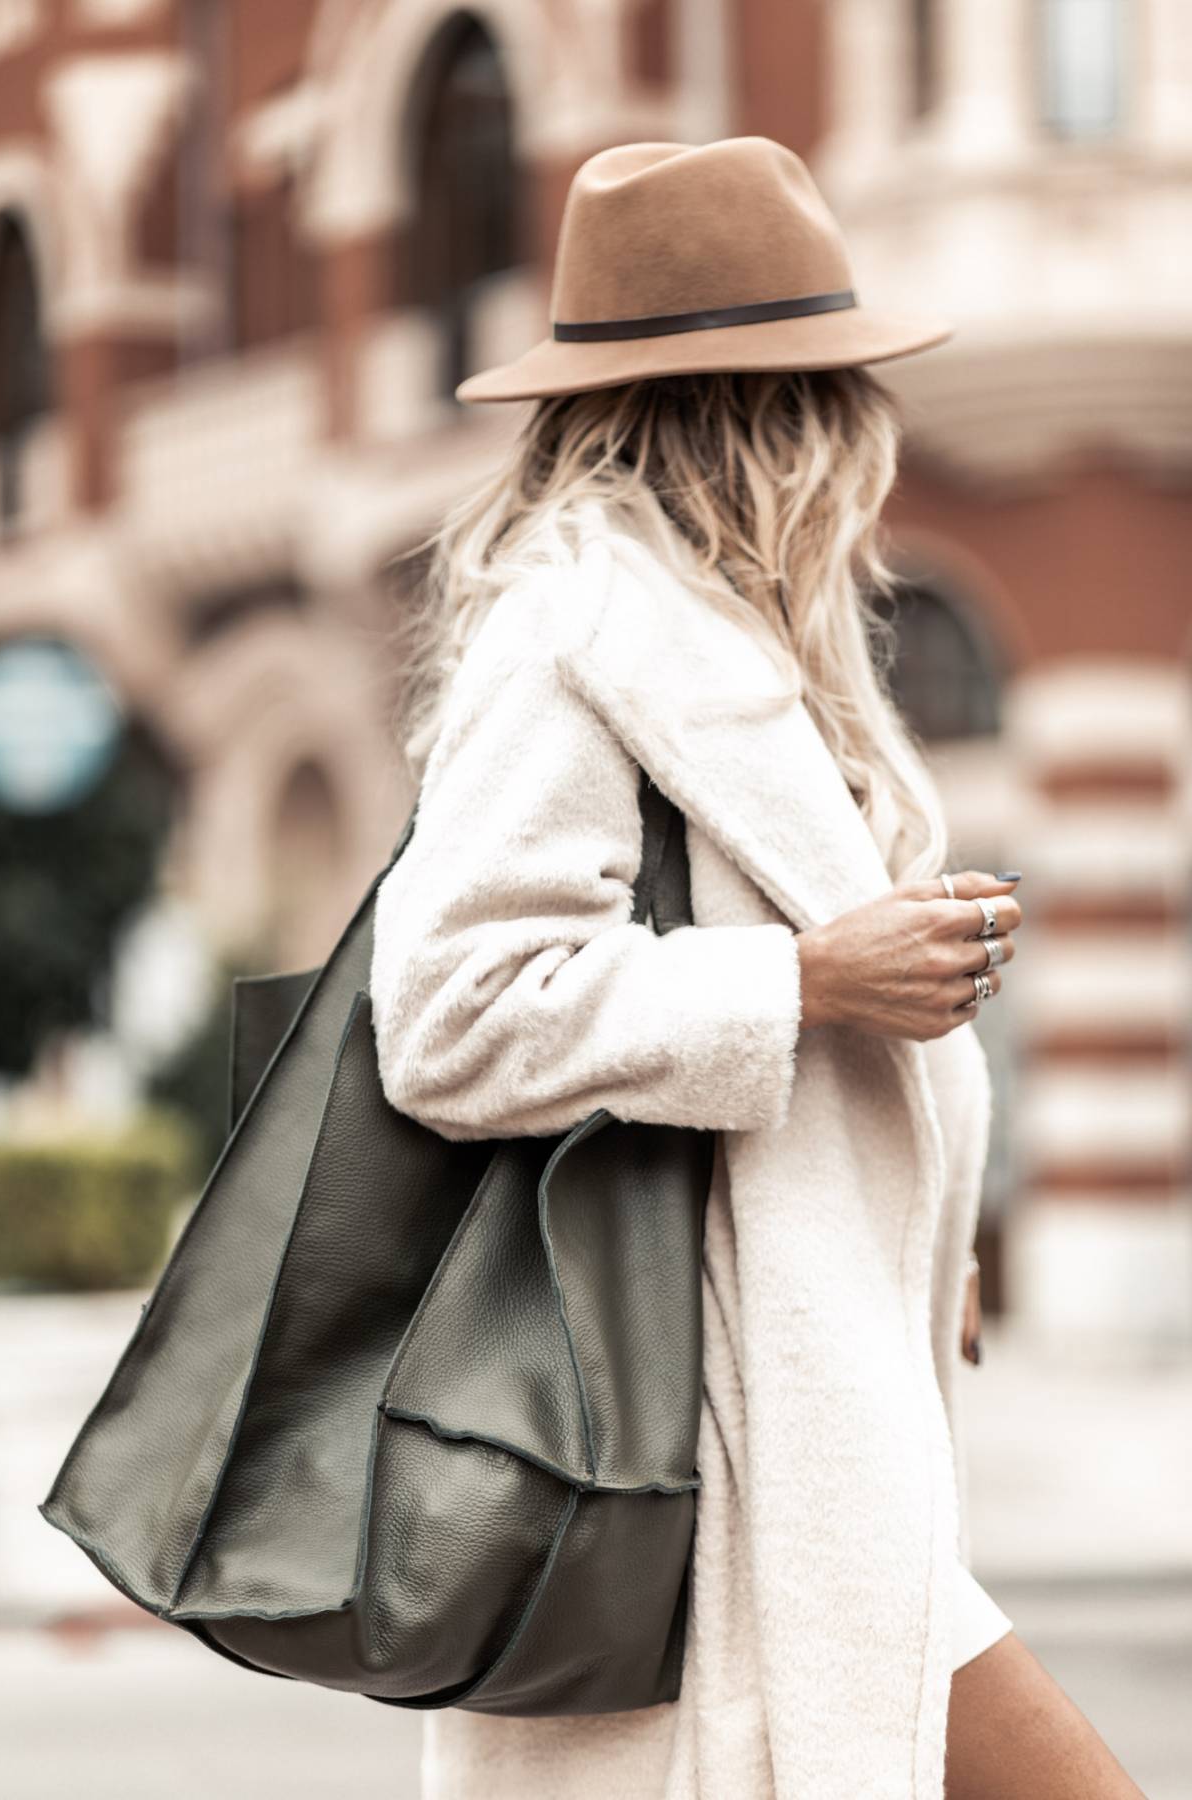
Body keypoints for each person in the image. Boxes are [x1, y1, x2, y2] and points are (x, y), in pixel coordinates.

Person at [369, 138, 1144, 1800]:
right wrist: (802, 981)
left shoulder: (732, 638)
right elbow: (441, 1014)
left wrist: (913, 1239)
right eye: (837, 388)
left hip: (801, 1417)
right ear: (766, 412)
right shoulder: (577, 632)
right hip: (702, 1444)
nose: (869, 431)